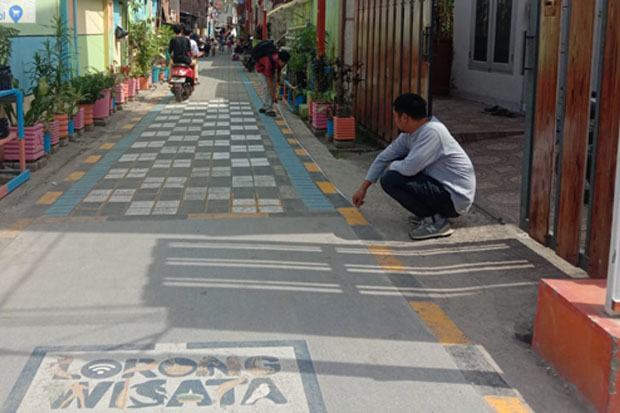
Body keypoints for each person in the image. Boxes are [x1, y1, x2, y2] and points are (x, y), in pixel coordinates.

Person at [352, 93, 476, 240]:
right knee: (395, 165)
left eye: (395, 116)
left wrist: (393, 166)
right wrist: (363, 189)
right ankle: (432, 214)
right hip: (440, 188)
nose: (395, 120)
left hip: (455, 199)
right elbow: (383, 158)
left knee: (390, 178)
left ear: (404, 117)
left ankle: (435, 220)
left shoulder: (433, 132)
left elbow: (409, 169)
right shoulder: (409, 135)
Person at [255, 49, 290, 117]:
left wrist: (278, 79)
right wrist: (274, 96)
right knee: (267, 88)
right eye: (284, 63)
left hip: (271, 71)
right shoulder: (269, 62)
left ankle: (265, 106)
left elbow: (279, 68)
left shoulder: (278, 59)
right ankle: (268, 109)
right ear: (280, 60)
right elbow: (269, 81)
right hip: (261, 70)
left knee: (272, 87)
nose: (284, 65)